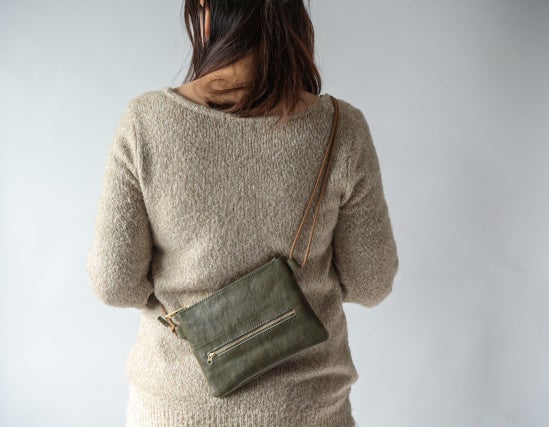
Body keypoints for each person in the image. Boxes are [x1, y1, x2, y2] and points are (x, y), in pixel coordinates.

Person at [86, 0, 399, 425]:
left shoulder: (145, 122)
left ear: (205, 11)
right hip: (306, 409)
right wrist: (290, 295)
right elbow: (371, 282)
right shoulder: (341, 128)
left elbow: (114, 284)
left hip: (175, 408)